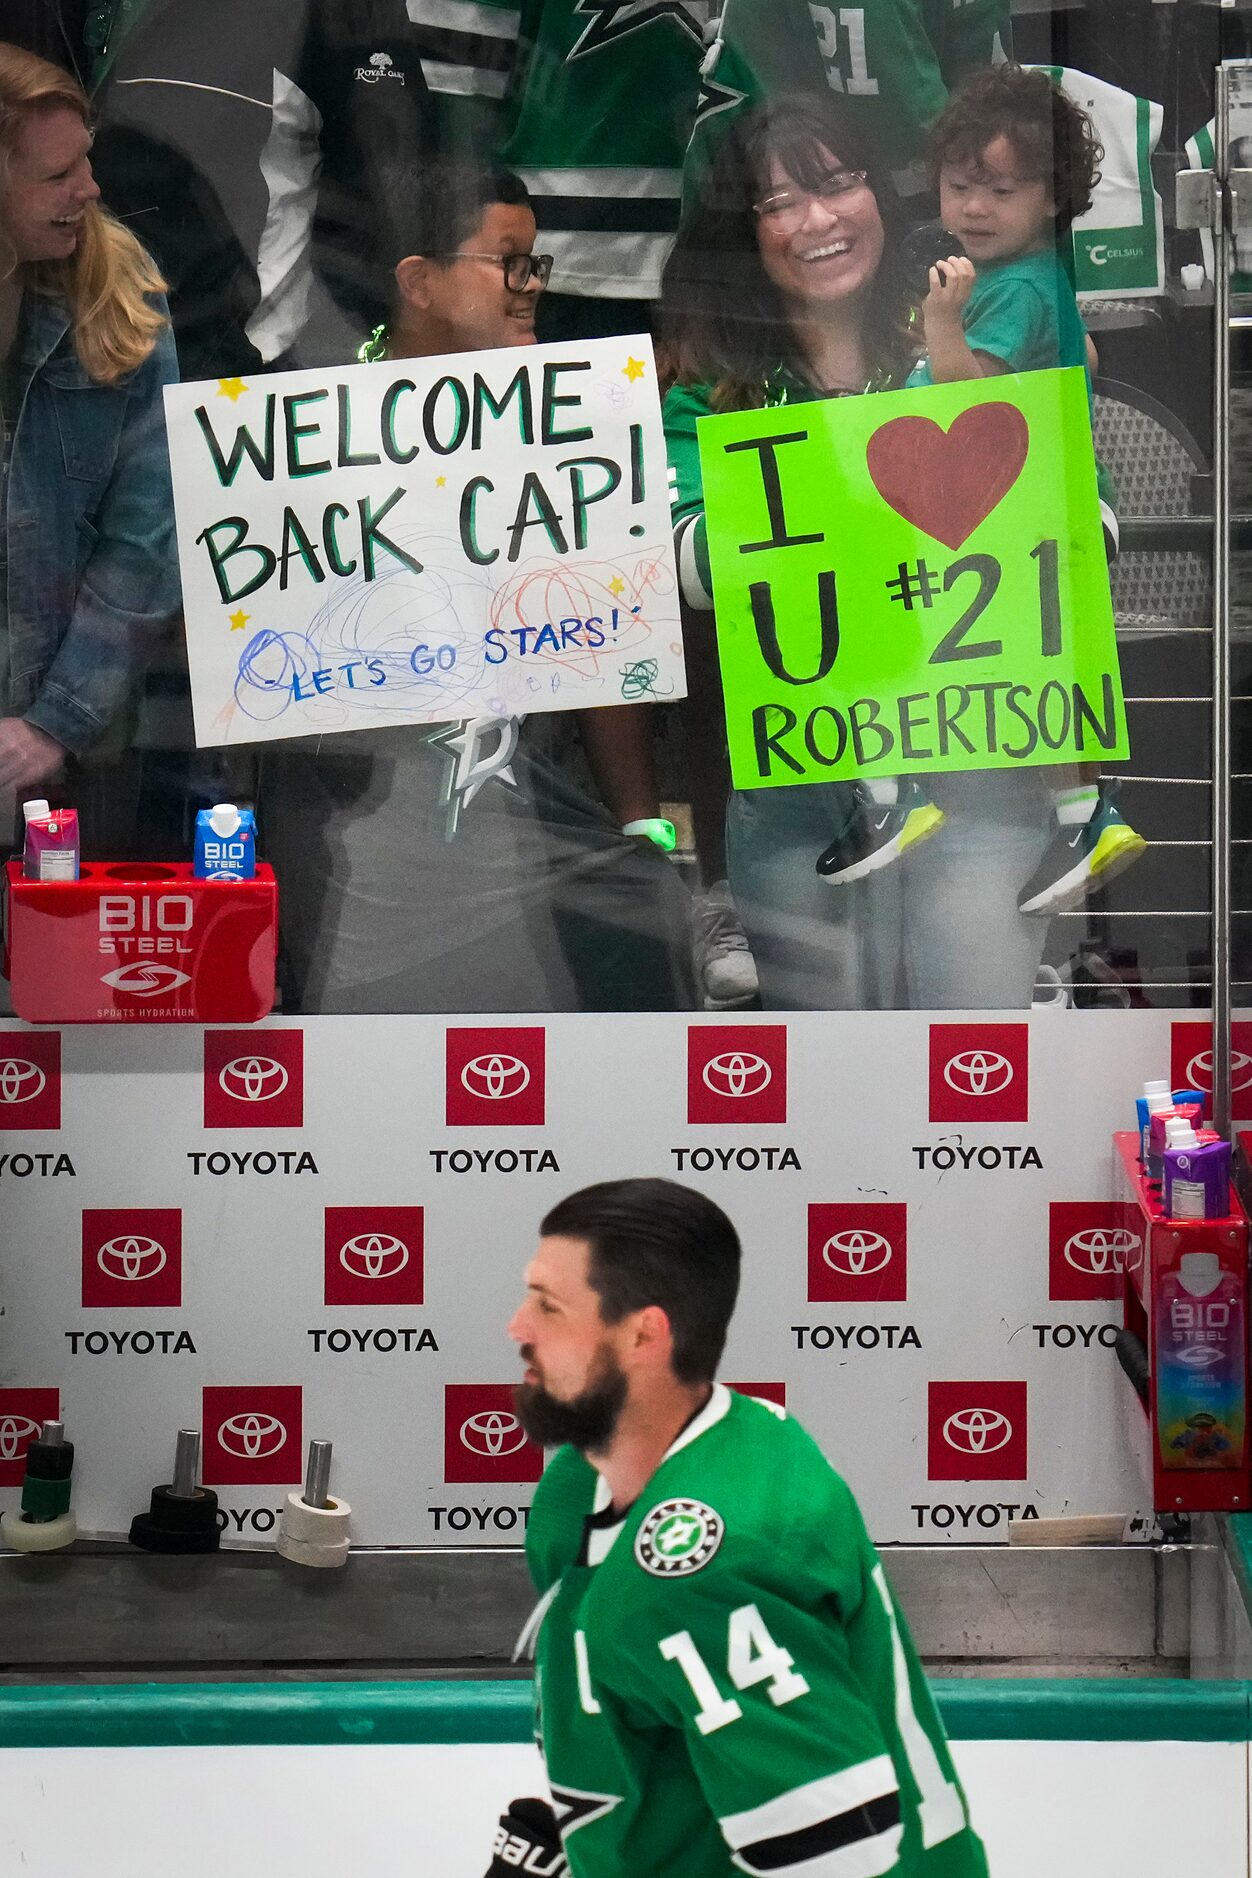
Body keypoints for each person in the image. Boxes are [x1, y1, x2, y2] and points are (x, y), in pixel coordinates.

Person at [262, 157, 695, 1013]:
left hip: (533, 833)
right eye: (509, 262)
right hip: (371, 853)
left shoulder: (572, 432)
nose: (531, 286)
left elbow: (597, 645)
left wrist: (640, 824)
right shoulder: (312, 437)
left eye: (537, 263)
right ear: (419, 283)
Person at [662, 92, 1057, 1009]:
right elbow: (693, 566)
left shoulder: (973, 324)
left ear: (881, 195)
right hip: (802, 789)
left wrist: (810, 507)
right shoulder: (709, 382)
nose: (818, 220)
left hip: (980, 776)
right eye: (777, 203)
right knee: (831, 1093)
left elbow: (1083, 517)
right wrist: (889, 479)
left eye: (839, 184)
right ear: (743, 233)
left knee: (970, 1072)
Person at [493, 1177, 987, 1877]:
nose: (518, 1327)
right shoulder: (615, 1476)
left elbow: (844, 1860)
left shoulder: (709, 1567)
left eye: (549, 1307)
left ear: (643, 1332)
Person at [815, 64, 1145, 917]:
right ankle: (1078, 813)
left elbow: (977, 405)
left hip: (1011, 509)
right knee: (1031, 668)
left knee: (883, 642)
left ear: (1052, 199)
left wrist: (942, 329)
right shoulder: (1035, 284)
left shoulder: (1006, 290)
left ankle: (890, 797)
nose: (974, 207)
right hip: (1023, 505)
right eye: (961, 186)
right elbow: (1083, 362)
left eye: (1001, 190)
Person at [0, 41, 178, 843]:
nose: (91, 189)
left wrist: (55, 722)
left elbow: (149, 537)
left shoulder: (121, 289)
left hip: (75, 736)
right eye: (57, 176)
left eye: (87, 161)